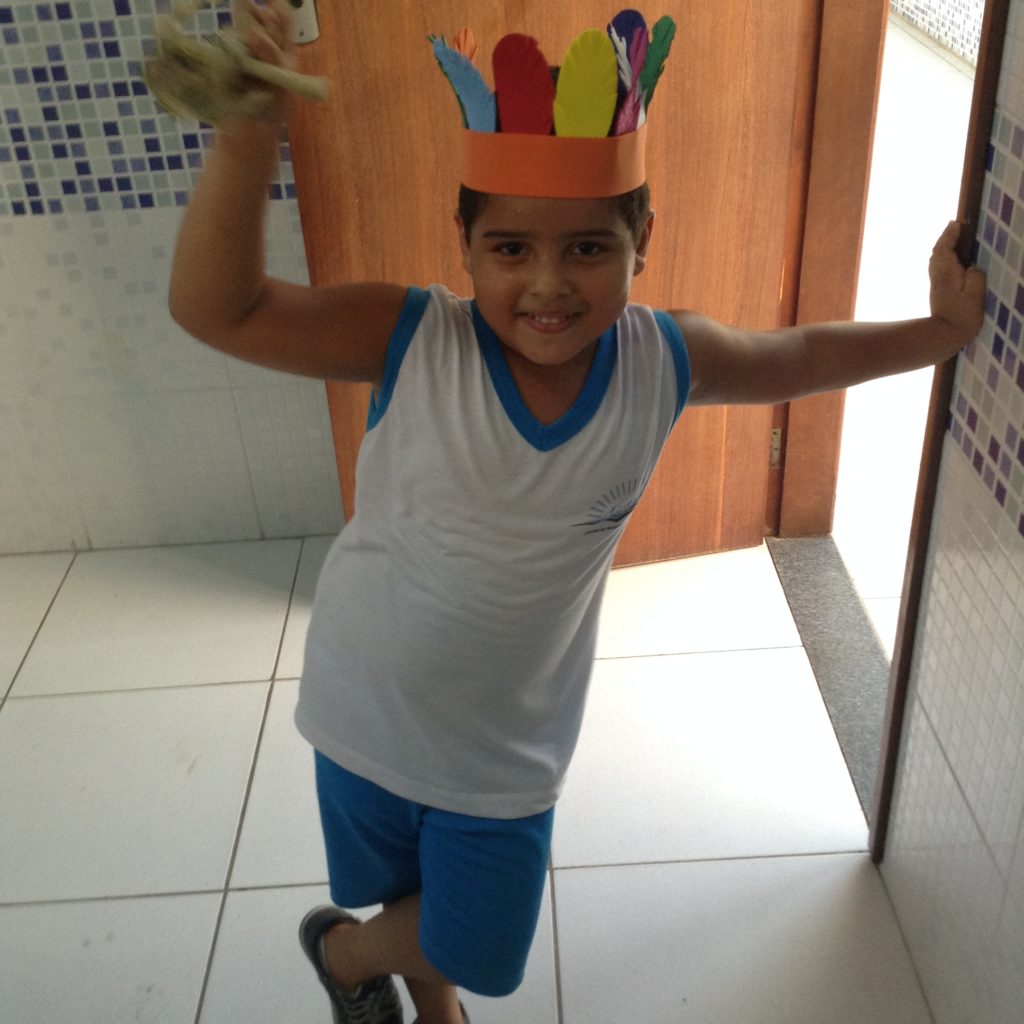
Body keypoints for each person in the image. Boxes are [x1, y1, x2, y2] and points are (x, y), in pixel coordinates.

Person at [167, 4, 986, 1023]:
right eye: (510, 247)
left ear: (642, 240)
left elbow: (801, 356)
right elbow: (222, 308)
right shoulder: (413, 340)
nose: (547, 284)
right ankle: (432, 1010)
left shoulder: (663, 361)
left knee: (483, 942)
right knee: (409, 892)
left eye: (589, 247)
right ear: (464, 245)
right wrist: (248, 135)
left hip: (505, 751)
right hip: (364, 714)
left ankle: (343, 954)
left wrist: (936, 332)